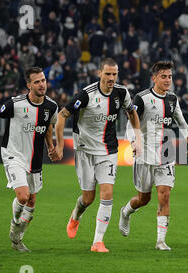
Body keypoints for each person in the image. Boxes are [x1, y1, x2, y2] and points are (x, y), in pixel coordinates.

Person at [51, 57, 141, 253]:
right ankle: (76, 215)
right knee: (88, 198)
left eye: (114, 74)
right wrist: (59, 145)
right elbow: (61, 115)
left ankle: (97, 242)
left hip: (108, 150)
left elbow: (131, 112)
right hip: (84, 150)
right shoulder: (86, 95)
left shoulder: (122, 93)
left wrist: (137, 137)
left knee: (107, 194)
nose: (111, 78)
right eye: (107, 74)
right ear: (99, 73)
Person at [0, 67, 58, 252]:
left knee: (32, 202)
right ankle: (14, 227)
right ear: (28, 85)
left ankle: (17, 239)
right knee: (23, 196)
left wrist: (51, 147)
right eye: (37, 81)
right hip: (13, 154)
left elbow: (48, 127)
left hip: (34, 159)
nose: (42, 84)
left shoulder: (51, 106)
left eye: (43, 80)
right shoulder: (15, 104)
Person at [119, 61, 188, 251]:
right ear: (154, 78)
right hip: (144, 154)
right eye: (163, 76)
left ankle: (160, 241)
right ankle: (126, 212)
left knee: (164, 195)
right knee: (143, 199)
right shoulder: (142, 98)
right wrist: (134, 142)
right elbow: (131, 123)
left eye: (170, 76)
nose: (168, 80)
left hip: (166, 154)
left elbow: (182, 123)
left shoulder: (172, 99)